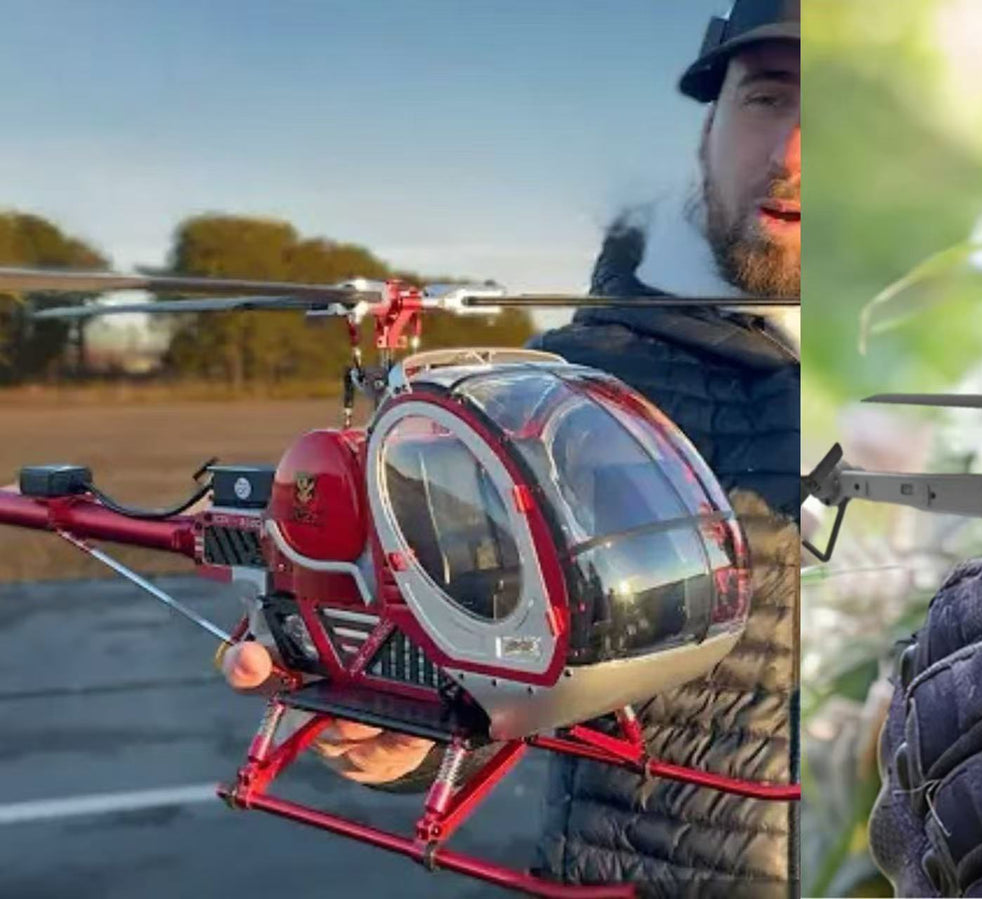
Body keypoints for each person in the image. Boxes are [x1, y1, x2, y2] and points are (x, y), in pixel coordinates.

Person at [222, 1, 800, 894]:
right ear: (706, 132)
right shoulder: (567, 390)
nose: (794, 153)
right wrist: (407, 716)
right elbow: (458, 608)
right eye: (767, 97)